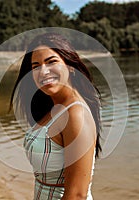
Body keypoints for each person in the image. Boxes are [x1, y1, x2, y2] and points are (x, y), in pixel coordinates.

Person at [10, 32, 102, 200]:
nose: (43, 71)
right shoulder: (54, 109)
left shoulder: (76, 114)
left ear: (70, 66)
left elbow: (76, 195)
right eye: (36, 66)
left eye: (51, 62)